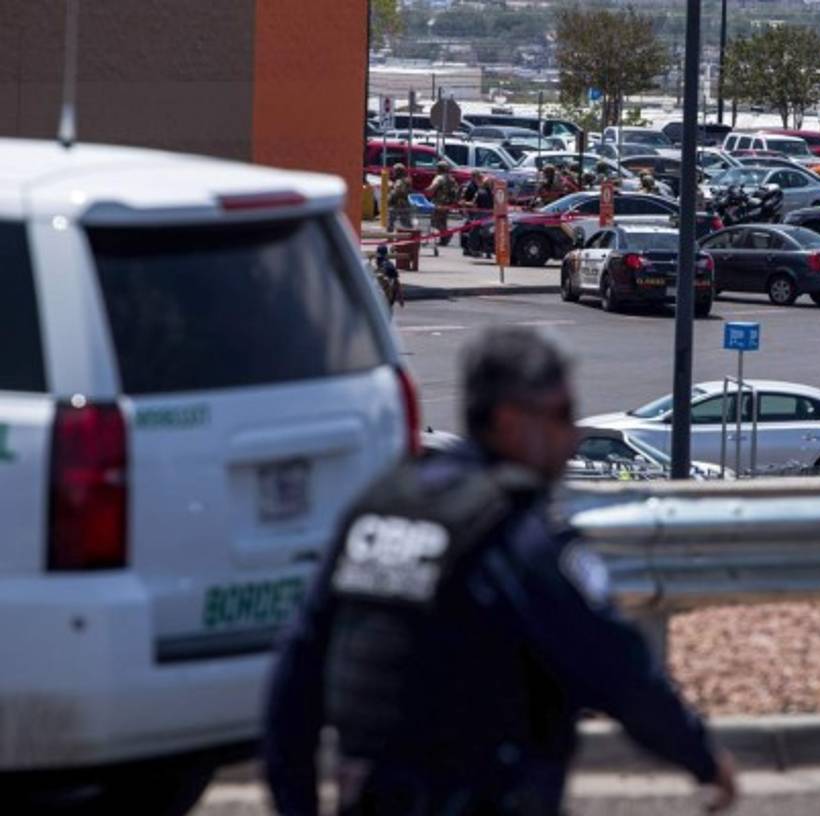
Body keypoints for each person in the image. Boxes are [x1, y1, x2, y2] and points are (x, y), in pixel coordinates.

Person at [263, 326, 738, 816]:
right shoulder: (518, 537)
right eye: (560, 415)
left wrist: (294, 802)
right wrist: (702, 758)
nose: (574, 435)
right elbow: (618, 668)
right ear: (510, 422)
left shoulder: (379, 509)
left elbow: (294, 674)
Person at [427, 160, 461, 246]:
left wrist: (426, 191)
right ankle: (444, 239)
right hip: (448, 203)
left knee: (435, 221)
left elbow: (432, 188)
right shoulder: (451, 178)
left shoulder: (439, 178)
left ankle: (447, 234)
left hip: (439, 203)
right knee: (443, 221)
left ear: (439, 168)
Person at [369, 244, 402, 310]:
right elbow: (397, 282)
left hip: (383, 298)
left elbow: (396, 282)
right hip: (385, 299)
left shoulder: (382, 265)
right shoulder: (389, 265)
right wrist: (400, 298)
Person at [387, 163, 413, 231]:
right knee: (406, 222)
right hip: (405, 204)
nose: (393, 173)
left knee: (390, 222)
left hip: (397, 204)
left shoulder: (399, 181)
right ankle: (411, 237)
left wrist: (390, 193)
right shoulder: (407, 180)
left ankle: (390, 237)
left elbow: (397, 192)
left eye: (394, 171)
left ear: (398, 172)